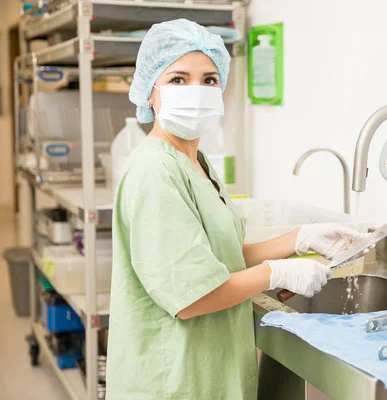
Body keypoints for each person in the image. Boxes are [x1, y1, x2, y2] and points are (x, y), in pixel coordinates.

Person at [105, 19, 365, 400]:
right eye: (178, 79)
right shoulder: (153, 172)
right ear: (149, 91)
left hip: (206, 371)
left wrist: (299, 239)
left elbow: (213, 259)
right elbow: (193, 295)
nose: (196, 90)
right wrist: (276, 272)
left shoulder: (195, 162)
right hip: (171, 382)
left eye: (209, 79)